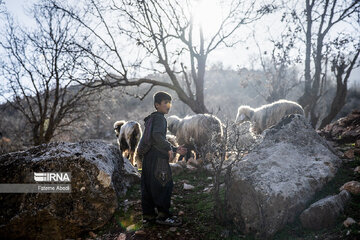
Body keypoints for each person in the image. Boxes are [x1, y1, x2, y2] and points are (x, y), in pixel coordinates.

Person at [139, 91, 187, 227]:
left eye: (169, 102)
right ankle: (163, 216)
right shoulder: (160, 118)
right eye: (165, 103)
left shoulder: (151, 119)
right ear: (157, 105)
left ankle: (148, 216)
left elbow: (156, 138)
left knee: (148, 186)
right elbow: (157, 136)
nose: (168, 105)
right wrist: (168, 148)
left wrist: (175, 149)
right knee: (164, 184)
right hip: (158, 159)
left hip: (148, 158)